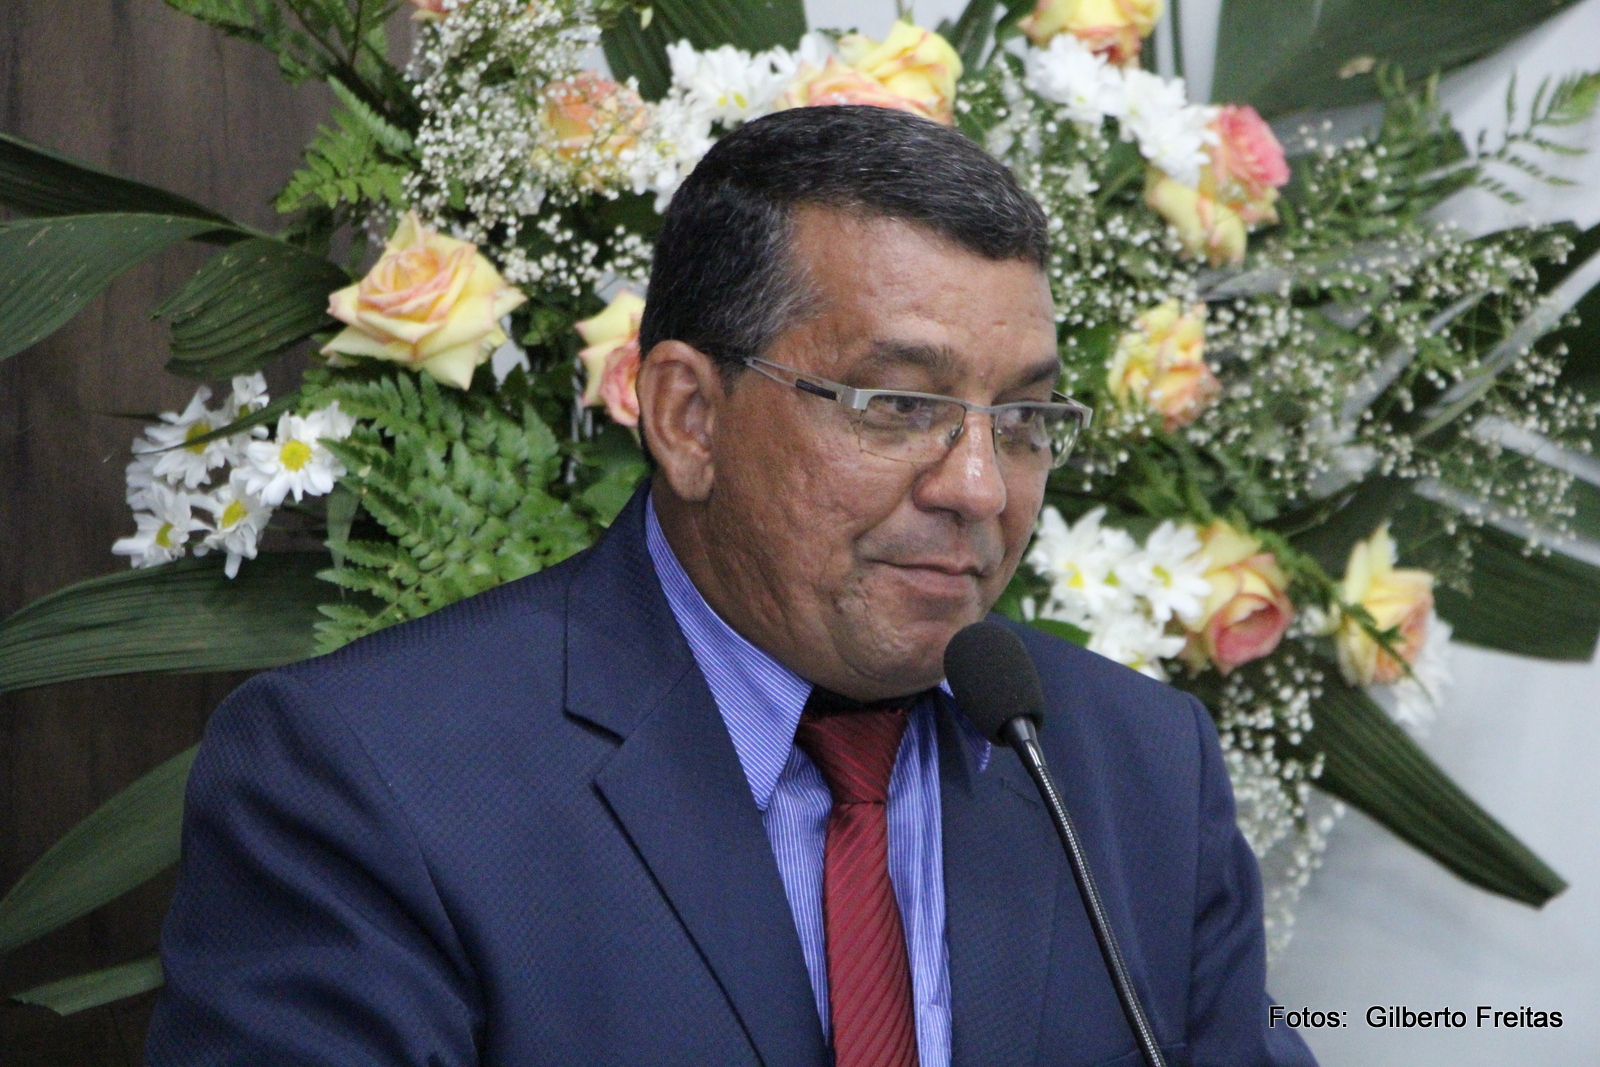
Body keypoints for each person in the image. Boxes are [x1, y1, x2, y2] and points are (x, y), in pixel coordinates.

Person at [146, 105, 1316, 1067]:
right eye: (896, 404)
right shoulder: (371, 776)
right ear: (687, 416)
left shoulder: (1134, 767)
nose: (977, 484)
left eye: (1021, 418)